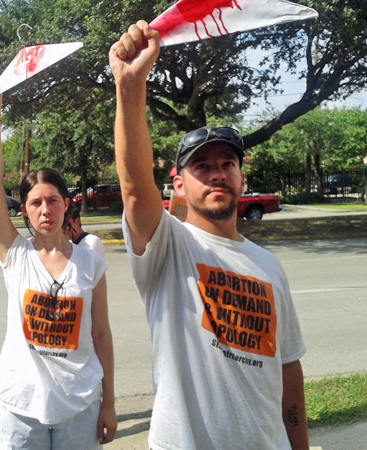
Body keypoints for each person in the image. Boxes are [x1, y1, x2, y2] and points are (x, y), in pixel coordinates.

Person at [109, 22, 308, 450]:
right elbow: (133, 184)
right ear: (178, 185)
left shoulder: (270, 266)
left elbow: (288, 367)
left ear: (241, 176)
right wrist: (129, 87)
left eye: (227, 164)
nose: (217, 173)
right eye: (202, 166)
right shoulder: (167, 245)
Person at [0, 82, 117, 449]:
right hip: (20, 408)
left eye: (53, 200)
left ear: (66, 204)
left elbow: (101, 336)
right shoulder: (15, 254)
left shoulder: (91, 261)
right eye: (36, 203)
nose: (46, 210)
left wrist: (109, 402)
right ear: (24, 209)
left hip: (80, 406)